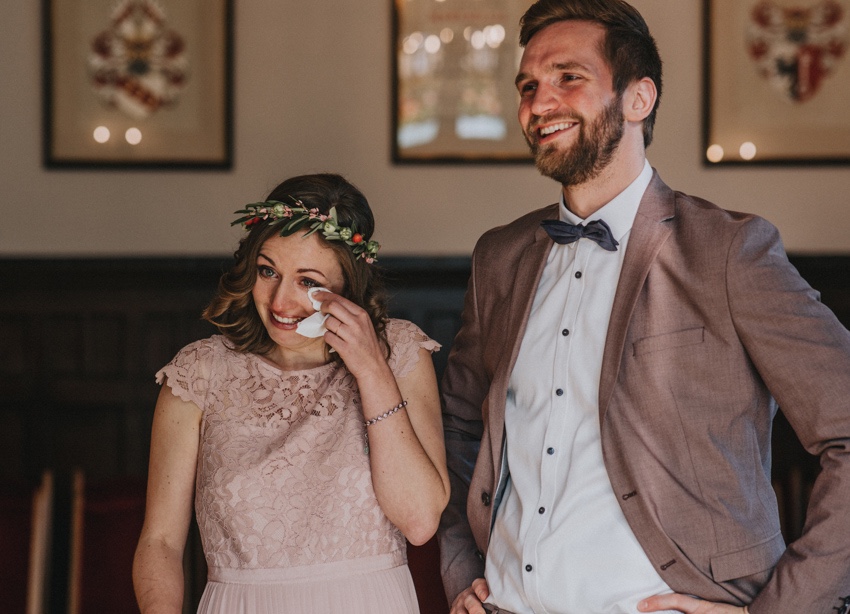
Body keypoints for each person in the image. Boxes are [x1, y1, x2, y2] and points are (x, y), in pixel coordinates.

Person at [437, 1, 850, 613]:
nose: (539, 102)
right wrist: (459, 568)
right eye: (527, 86)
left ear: (638, 98)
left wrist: (784, 610)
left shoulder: (729, 251)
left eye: (568, 77)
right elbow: (457, 428)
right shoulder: (499, 258)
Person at [133, 173, 450, 613]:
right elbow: (161, 541)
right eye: (268, 272)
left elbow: (419, 521)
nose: (280, 301)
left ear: (347, 286)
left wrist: (371, 369)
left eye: (307, 281)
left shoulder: (399, 352)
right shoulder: (199, 372)